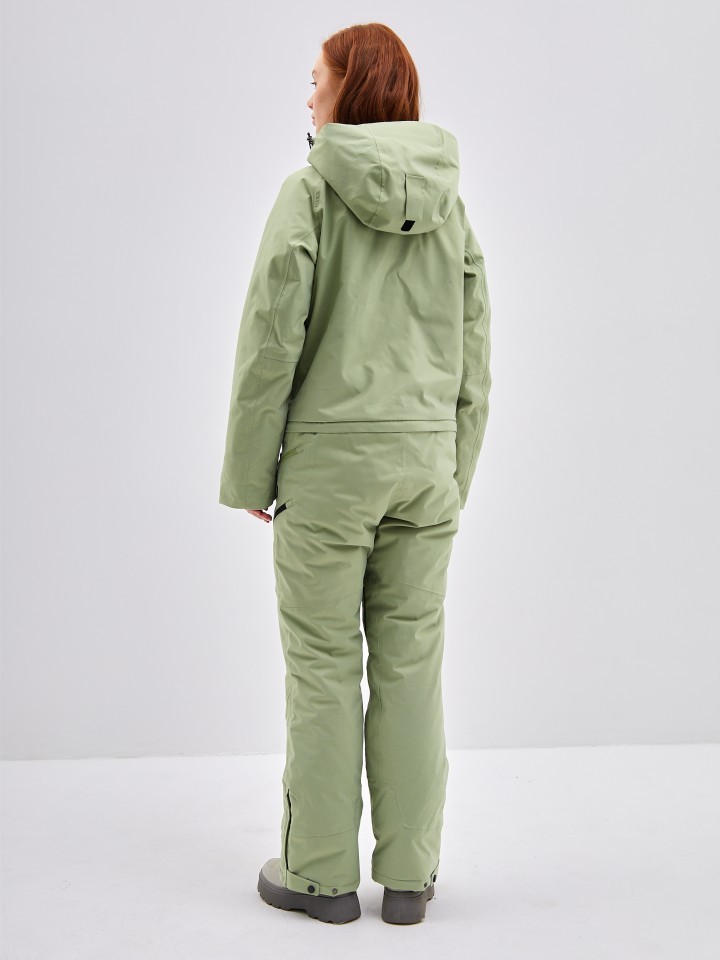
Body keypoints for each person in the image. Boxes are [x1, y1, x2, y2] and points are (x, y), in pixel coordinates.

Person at [219, 22, 492, 925]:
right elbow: (475, 352)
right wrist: (453, 470)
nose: (309, 97)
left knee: (324, 667)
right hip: (424, 466)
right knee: (413, 663)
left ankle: (320, 875)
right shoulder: (452, 206)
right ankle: (410, 878)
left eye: (318, 79)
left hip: (330, 472)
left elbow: (271, 341)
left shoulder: (310, 194)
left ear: (352, 88)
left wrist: (251, 474)